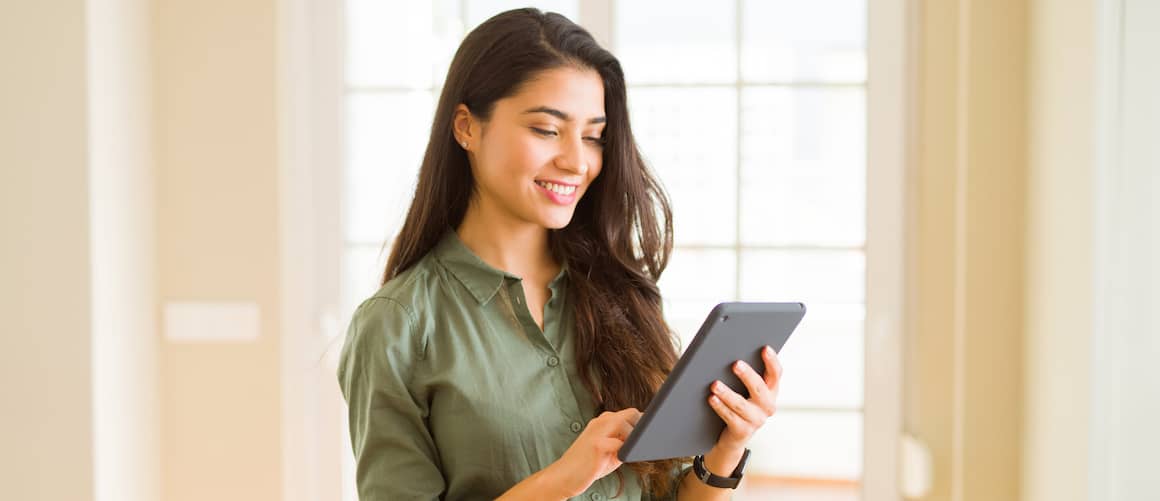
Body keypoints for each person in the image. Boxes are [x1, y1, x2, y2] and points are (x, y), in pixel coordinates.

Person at [336, 8, 784, 500]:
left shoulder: (620, 293)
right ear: (466, 127)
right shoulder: (397, 327)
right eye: (547, 130)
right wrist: (563, 479)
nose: (577, 161)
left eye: (593, 136)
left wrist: (729, 446)